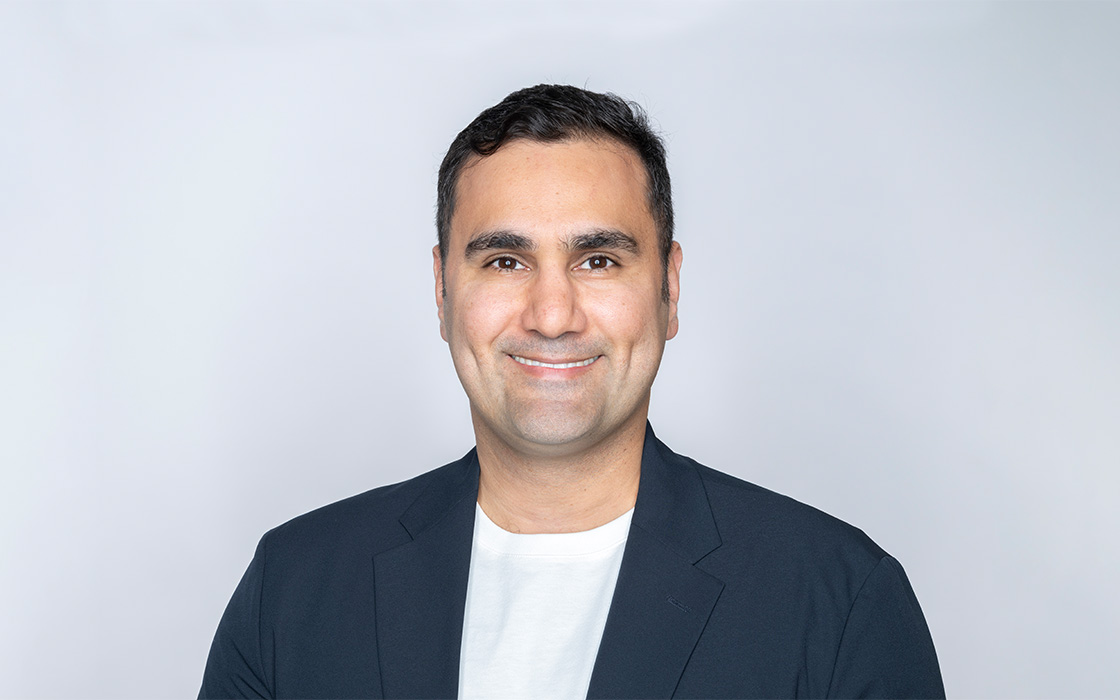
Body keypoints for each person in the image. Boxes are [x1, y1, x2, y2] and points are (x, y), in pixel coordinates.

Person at [199, 84, 944, 699]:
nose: (552, 316)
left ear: (669, 289)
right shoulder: (293, 588)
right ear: (442, 291)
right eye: (504, 261)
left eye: (598, 261)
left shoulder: (838, 599)